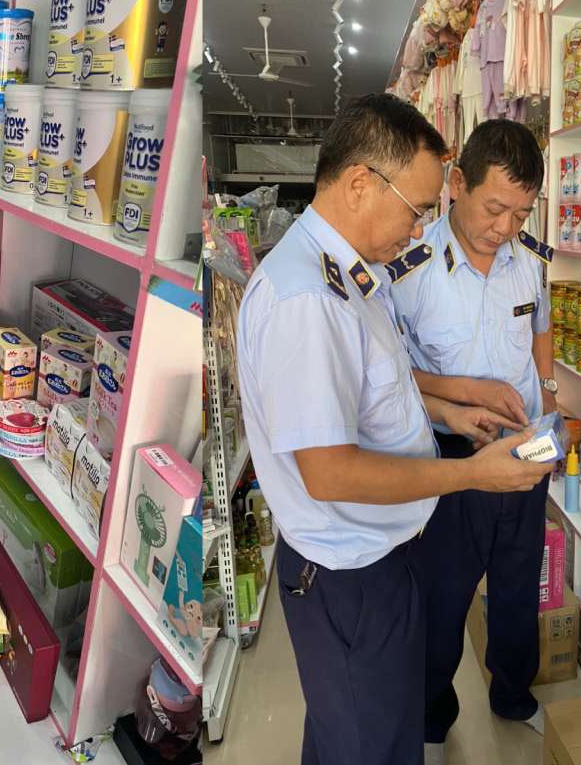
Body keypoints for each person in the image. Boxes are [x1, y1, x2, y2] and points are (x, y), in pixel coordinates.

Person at [235, 95, 552, 765]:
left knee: (360, 733)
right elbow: (331, 472)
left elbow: (384, 387)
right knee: (370, 744)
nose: (417, 229)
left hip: (380, 560)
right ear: (359, 184)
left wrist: (450, 411)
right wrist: (471, 470)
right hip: (349, 576)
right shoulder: (307, 301)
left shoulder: (352, 278)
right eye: (415, 209)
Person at [386, 119, 555, 763]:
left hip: (526, 442)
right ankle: (432, 715)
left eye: (521, 212)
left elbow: (539, 327)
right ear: (457, 184)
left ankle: (515, 696)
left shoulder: (531, 259)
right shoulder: (409, 266)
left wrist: (547, 388)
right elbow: (392, 370)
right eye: (494, 208)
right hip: (450, 451)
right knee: (445, 593)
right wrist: (463, 395)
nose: (505, 227)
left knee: (519, 582)